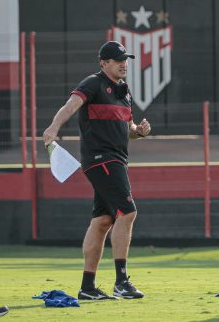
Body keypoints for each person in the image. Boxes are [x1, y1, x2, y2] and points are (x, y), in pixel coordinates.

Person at [42, 41, 151, 300]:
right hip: (102, 159)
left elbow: (128, 129)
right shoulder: (93, 83)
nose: (124, 63)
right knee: (128, 212)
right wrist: (53, 128)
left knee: (103, 221)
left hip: (114, 159)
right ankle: (122, 282)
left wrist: (139, 132)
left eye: (125, 59)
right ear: (103, 63)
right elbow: (71, 105)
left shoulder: (124, 91)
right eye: (118, 59)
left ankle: (87, 287)